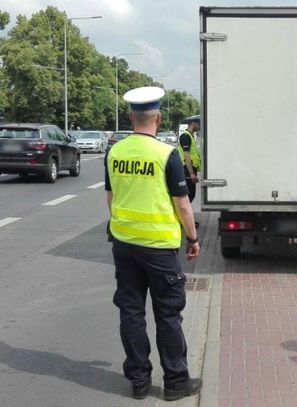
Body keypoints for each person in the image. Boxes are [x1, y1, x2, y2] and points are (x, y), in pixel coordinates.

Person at [105, 86, 202, 401]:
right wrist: (193, 238)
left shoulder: (115, 152)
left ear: (131, 116)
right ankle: (175, 382)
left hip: (124, 245)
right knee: (168, 314)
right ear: (158, 118)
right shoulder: (165, 154)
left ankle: (139, 381)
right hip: (159, 248)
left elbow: (111, 198)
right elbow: (183, 204)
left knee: (131, 312)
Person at [178, 116, 201, 203]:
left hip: (189, 169)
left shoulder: (190, 136)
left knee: (191, 195)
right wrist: (191, 173)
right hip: (186, 169)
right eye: (199, 124)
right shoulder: (185, 136)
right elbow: (186, 155)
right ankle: (181, 215)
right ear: (194, 123)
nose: (199, 127)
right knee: (189, 196)